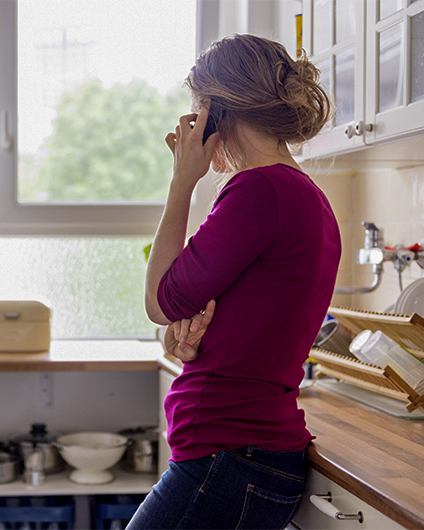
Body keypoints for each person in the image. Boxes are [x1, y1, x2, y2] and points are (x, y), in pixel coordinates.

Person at [130, 34, 340, 530]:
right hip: (243, 456)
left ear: (213, 110)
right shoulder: (302, 195)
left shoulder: (259, 189)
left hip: (228, 457)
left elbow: (160, 301)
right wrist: (189, 332)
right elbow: (190, 316)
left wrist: (183, 179)